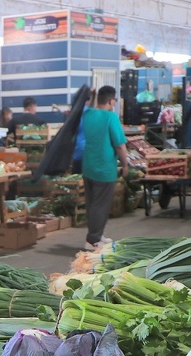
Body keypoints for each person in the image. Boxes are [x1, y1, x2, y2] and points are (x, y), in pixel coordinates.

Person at [80, 86, 129, 250]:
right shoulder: (111, 117)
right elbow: (120, 146)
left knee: (92, 203)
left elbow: (91, 106)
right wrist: (126, 164)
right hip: (104, 168)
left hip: (88, 167)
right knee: (101, 205)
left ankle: (97, 234)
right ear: (110, 101)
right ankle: (93, 240)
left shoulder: (88, 115)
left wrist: (93, 95)